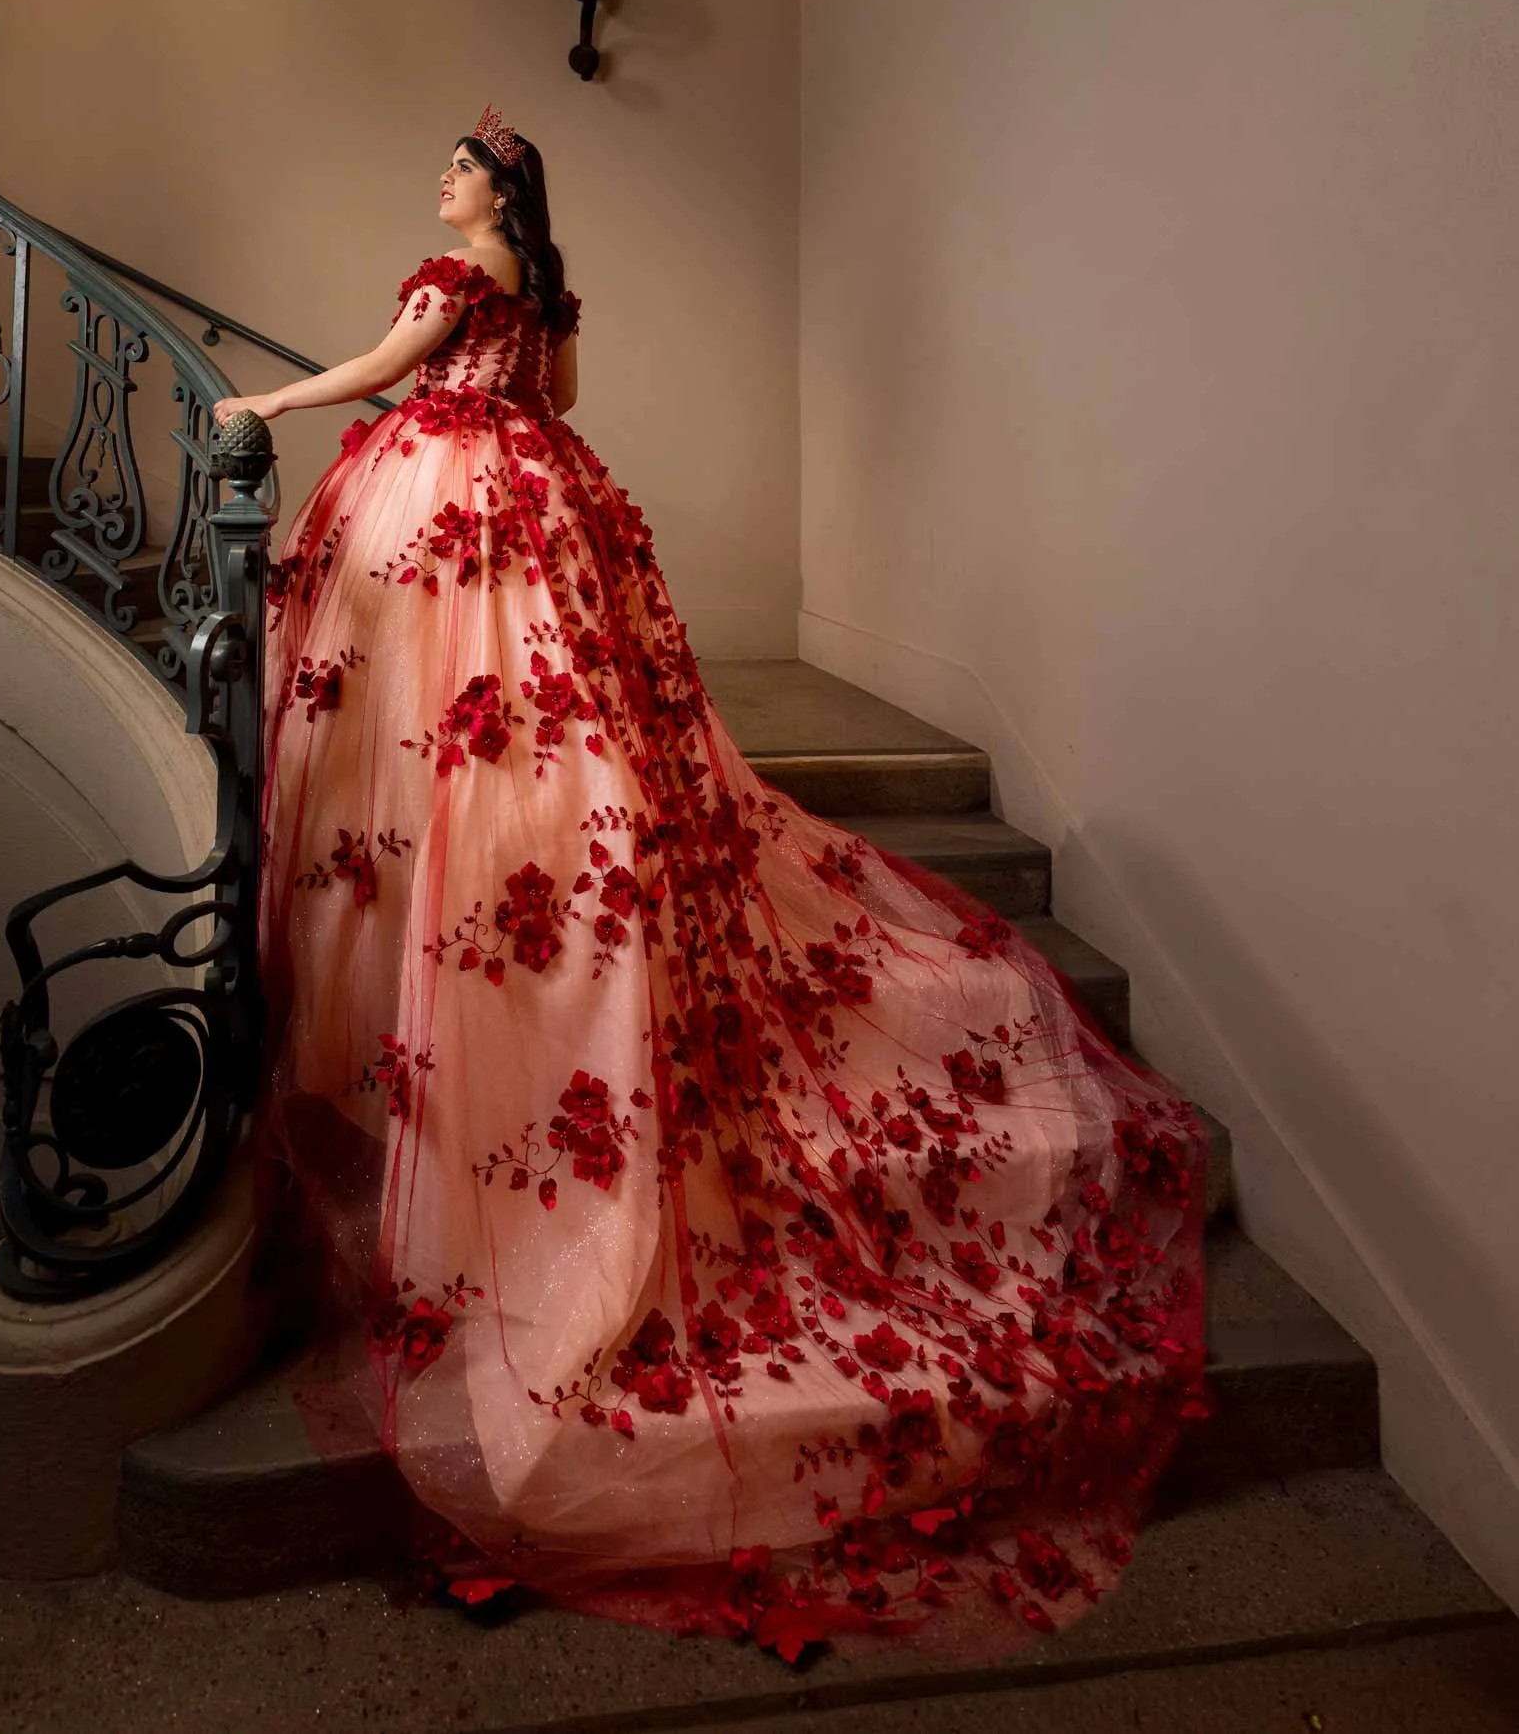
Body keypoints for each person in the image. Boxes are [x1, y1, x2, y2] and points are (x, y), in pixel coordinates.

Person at [212, 103, 1206, 1662]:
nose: (448, 180)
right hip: (546, 489)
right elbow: (568, 401)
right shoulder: (547, 282)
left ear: (490, 191)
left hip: (454, 491)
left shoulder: (447, 273)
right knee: (544, 719)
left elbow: (378, 375)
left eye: (462, 167)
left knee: (436, 709)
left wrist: (271, 394)